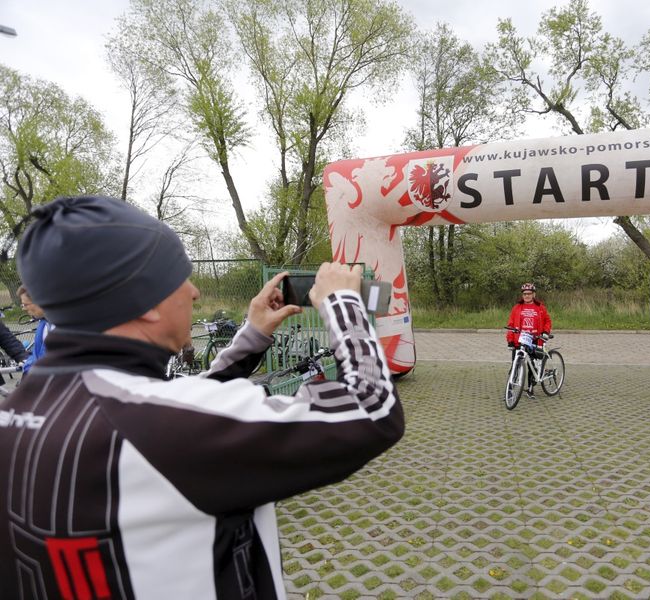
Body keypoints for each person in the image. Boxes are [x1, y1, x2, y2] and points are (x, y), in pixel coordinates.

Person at [0, 195, 404, 599]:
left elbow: (170, 402)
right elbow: (372, 408)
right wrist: (343, 306)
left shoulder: (18, 413)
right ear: (146, 303)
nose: (193, 293)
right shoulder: (160, 427)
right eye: (181, 278)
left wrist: (253, 336)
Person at [506, 282, 553, 398]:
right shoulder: (517, 308)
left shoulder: (540, 307)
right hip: (520, 341)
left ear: (534, 294)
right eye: (524, 294)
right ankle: (510, 391)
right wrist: (510, 340)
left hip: (535, 340)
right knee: (515, 365)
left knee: (533, 365)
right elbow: (511, 325)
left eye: (529, 294)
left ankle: (530, 389)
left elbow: (547, 321)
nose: (526, 296)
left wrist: (545, 332)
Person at [16, 285, 54, 374]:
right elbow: (37, 355)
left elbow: (46, 362)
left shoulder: (55, 327)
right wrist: (28, 364)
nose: (24, 308)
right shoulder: (43, 322)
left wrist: (28, 367)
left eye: (25, 304)